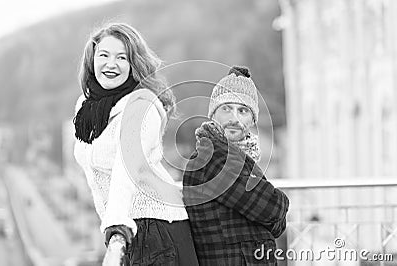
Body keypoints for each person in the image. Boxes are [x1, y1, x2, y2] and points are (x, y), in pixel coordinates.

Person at [73, 22, 199, 265]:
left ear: (134, 65)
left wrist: (116, 222)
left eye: (122, 57)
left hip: (157, 230)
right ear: (92, 60)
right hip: (127, 230)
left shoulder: (142, 104)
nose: (111, 64)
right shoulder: (86, 109)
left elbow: (127, 166)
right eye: (104, 55)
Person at [183, 66, 289, 265]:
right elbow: (273, 209)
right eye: (226, 108)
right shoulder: (210, 158)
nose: (234, 118)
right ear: (213, 114)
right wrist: (279, 202)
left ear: (252, 119)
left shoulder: (240, 158)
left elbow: (278, 226)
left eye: (243, 110)